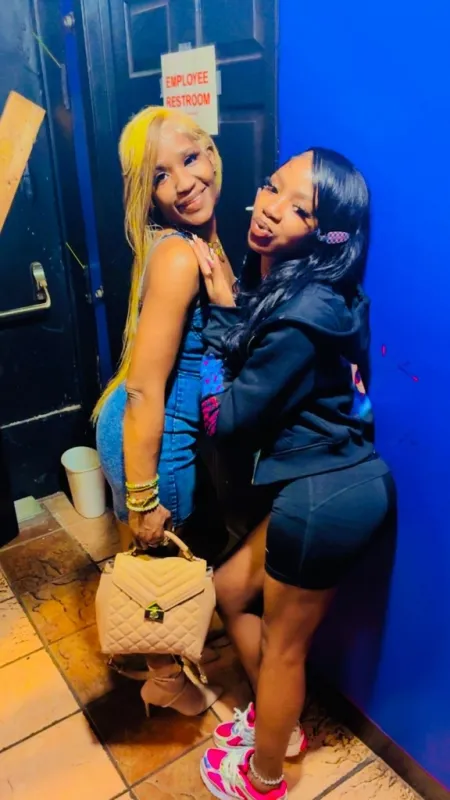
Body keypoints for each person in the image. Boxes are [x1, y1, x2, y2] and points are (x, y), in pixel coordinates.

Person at [187, 149, 396, 799]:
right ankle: (279, 725)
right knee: (228, 589)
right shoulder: (320, 292)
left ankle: (266, 776)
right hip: (333, 480)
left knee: (284, 649)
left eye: (298, 208)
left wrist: (219, 315)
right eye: (271, 188)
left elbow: (225, 420)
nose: (270, 209)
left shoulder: (305, 313)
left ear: (325, 233)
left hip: (323, 498)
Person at [93, 106, 234, 716]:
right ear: (147, 195)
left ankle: (166, 667)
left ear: (211, 152)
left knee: (171, 561)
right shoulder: (179, 256)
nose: (183, 182)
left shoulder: (193, 242)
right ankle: (166, 682)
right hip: (155, 446)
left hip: (140, 433)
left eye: (190, 158)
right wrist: (144, 498)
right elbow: (148, 390)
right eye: (159, 175)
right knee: (160, 573)